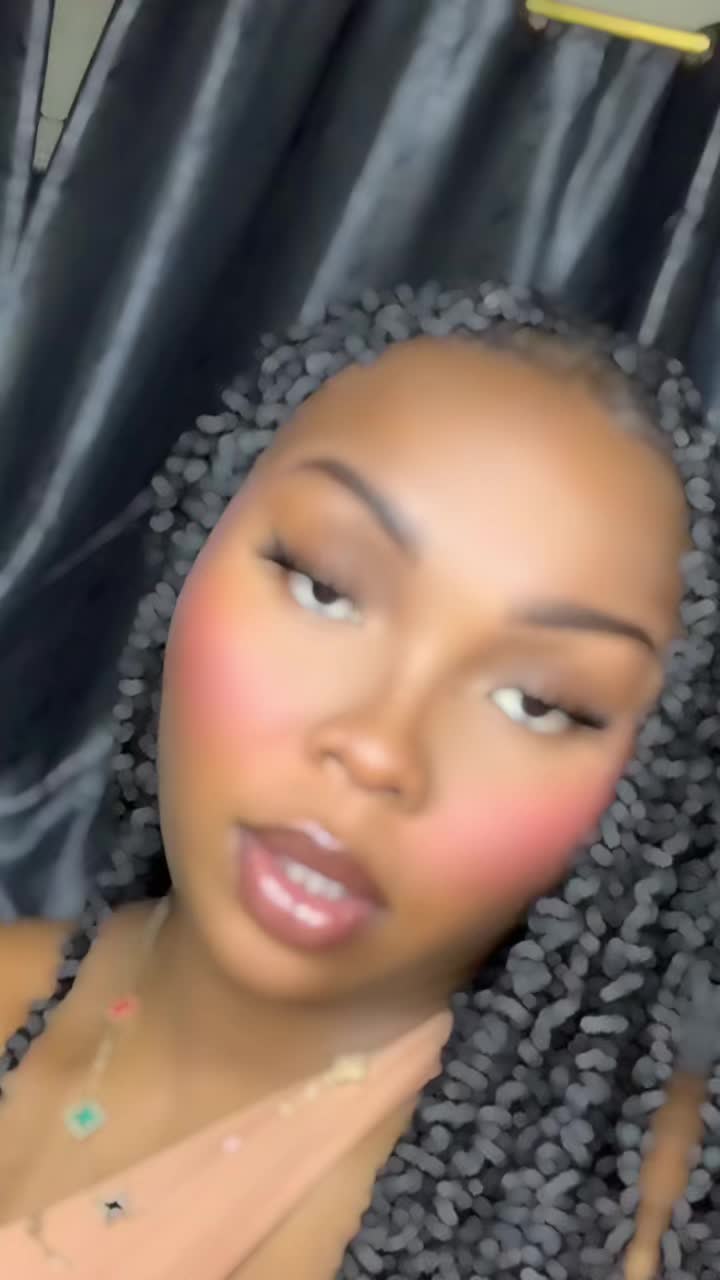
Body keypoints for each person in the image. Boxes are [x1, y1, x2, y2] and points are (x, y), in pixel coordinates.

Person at [0, 281, 716, 1280]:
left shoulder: (626, 1234)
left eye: (538, 702)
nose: (379, 748)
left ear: (649, 799)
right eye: (327, 587)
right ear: (193, 543)